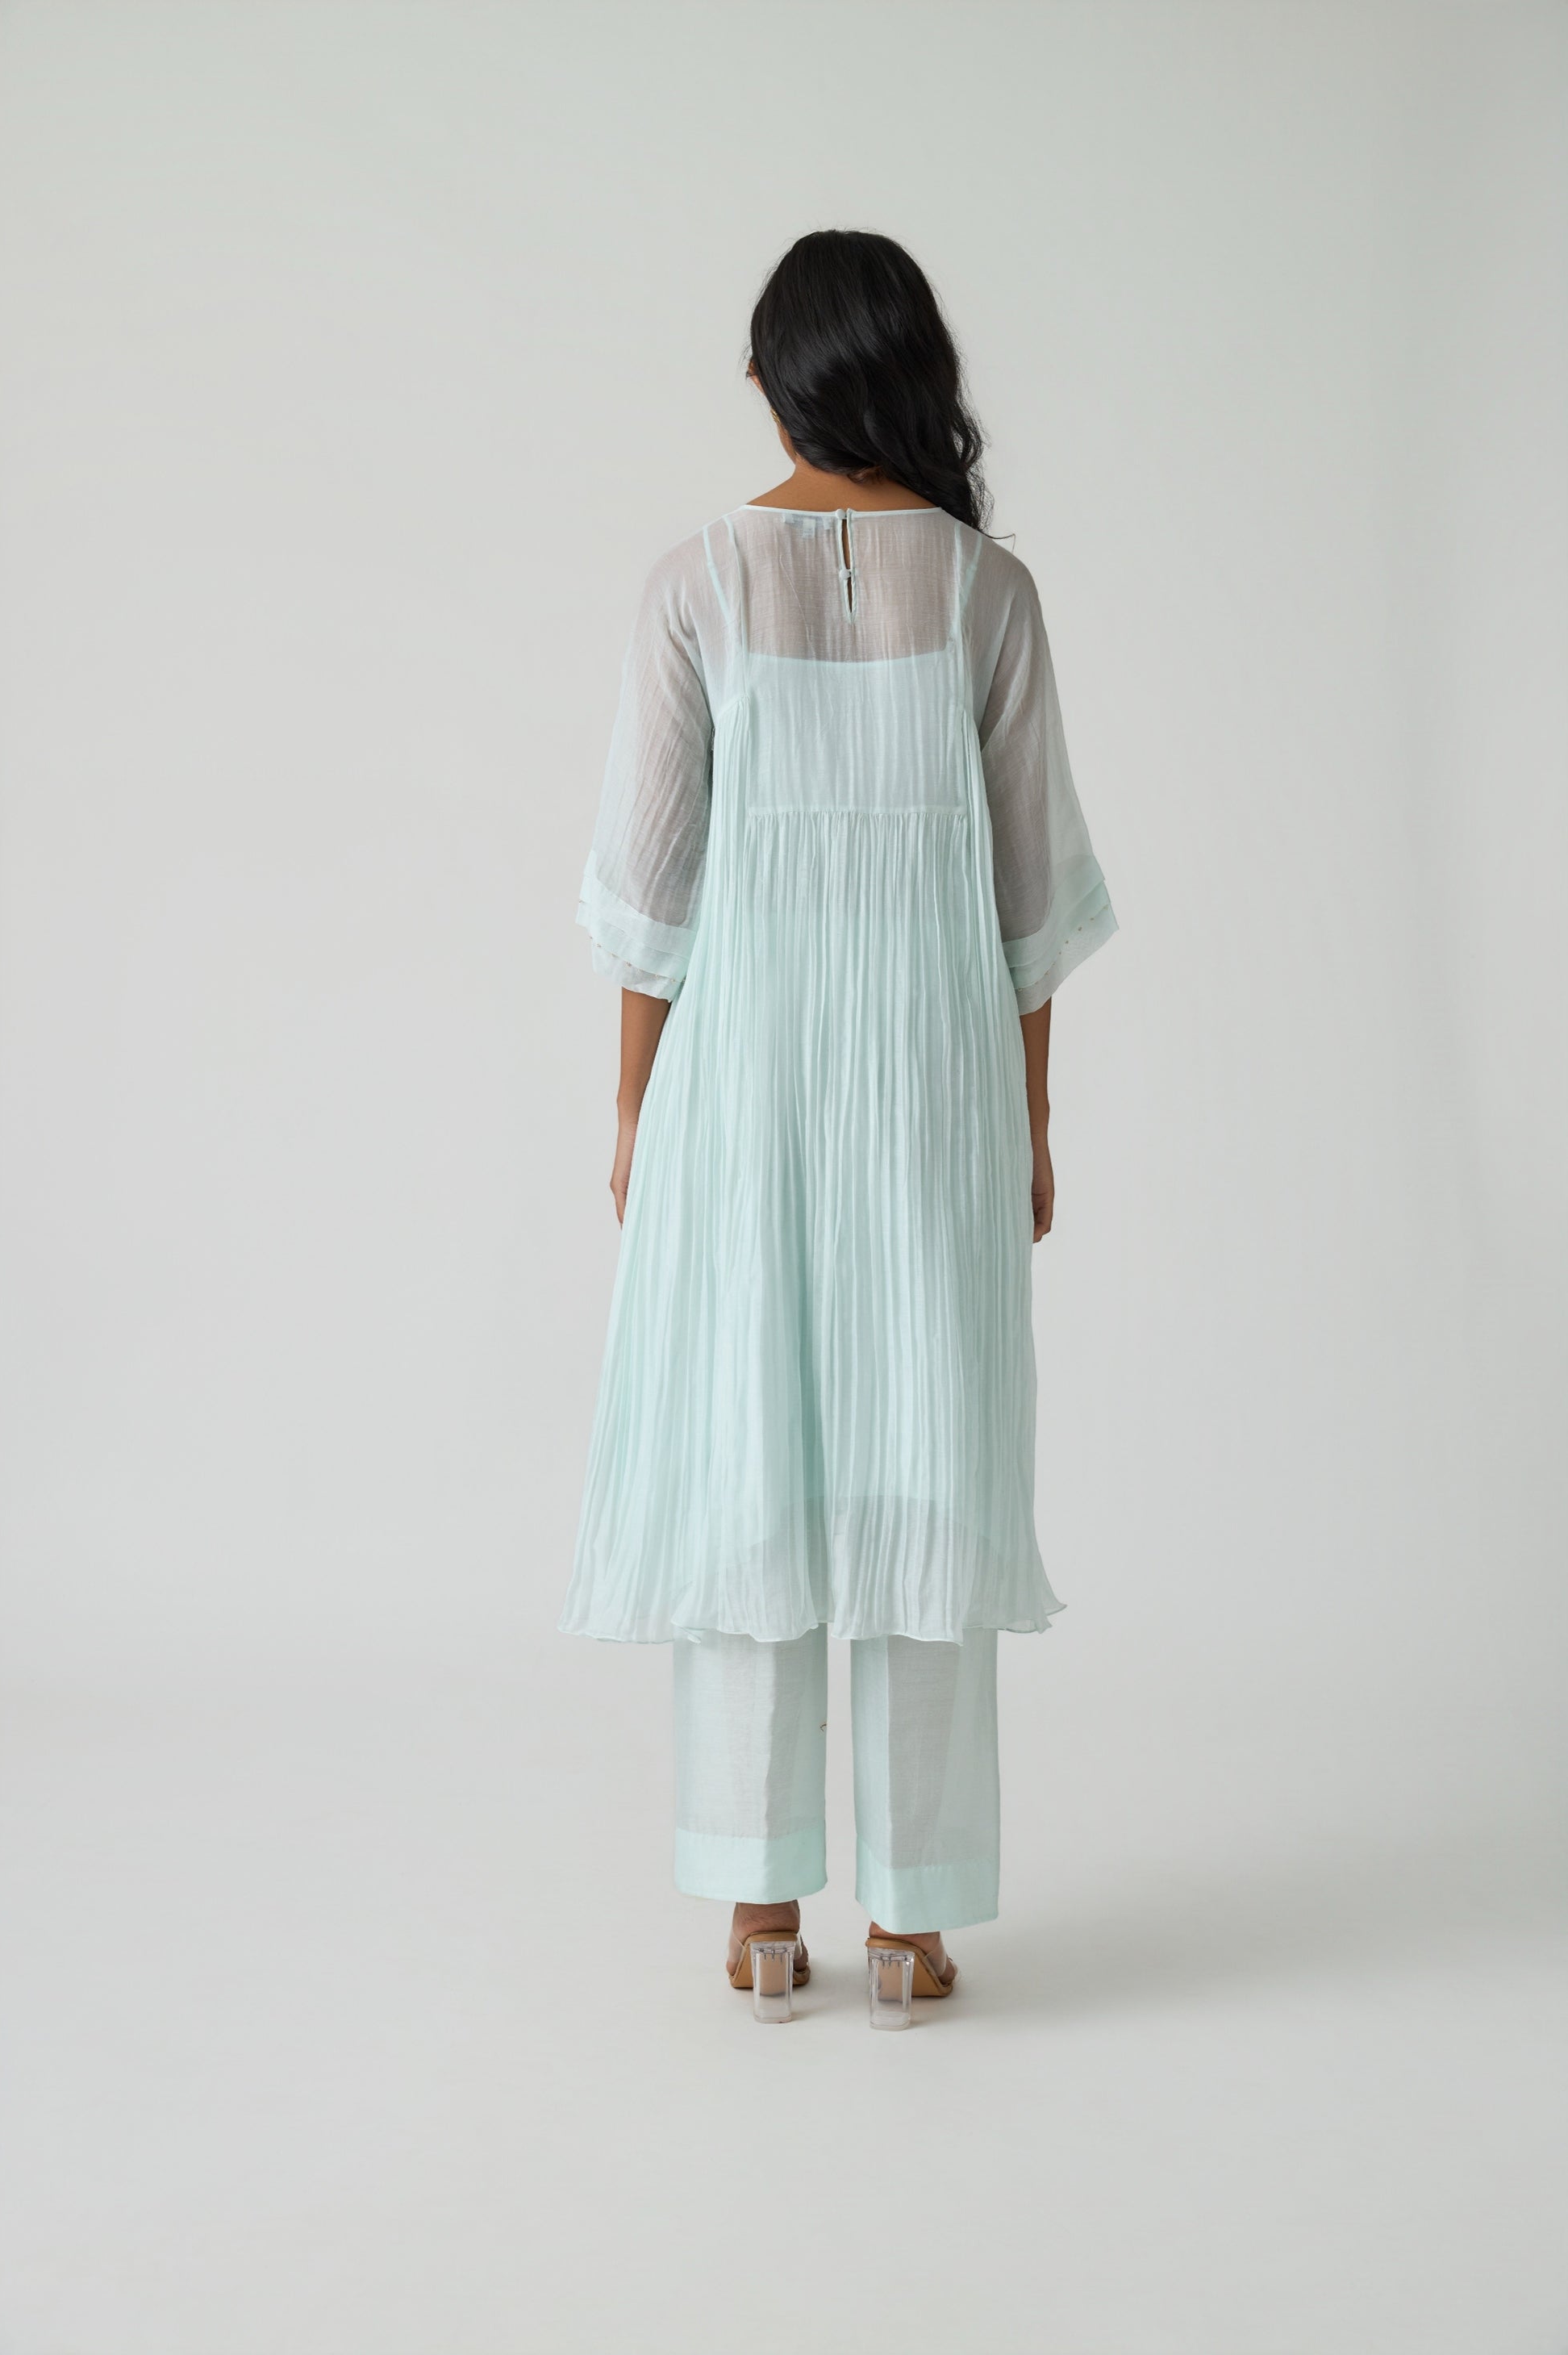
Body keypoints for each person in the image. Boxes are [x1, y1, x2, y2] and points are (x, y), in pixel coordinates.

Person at [561, 228, 1116, 2014]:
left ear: (769, 376)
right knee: (922, 1467)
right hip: (934, 1086)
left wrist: (634, 1106)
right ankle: (913, 1914)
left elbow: (648, 897)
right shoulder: (986, 589)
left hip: (743, 1092)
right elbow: (1031, 905)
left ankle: (755, 1905)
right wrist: (1029, 1116)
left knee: (752, 1458)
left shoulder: (695, 582)